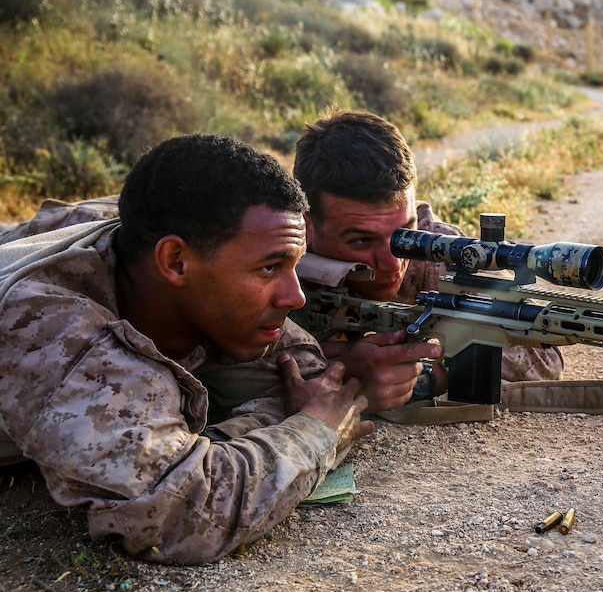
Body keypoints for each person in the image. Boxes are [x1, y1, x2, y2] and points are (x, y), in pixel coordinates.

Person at [0, 134, 439, 564]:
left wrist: (295, 414)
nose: (295, 297)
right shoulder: (52, 324)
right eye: (269, 267)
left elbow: (309, 379)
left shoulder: (181, 256)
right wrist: (315, 431)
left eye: (293, 266)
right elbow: (180, 514)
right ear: (175, 262)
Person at [292, 110, 564, 397]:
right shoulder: (274, 264)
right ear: (306, 226)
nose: (392, 263)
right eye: (361, 240)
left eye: (404, 234)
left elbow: (544, 360)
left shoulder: (438, 250)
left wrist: (430, 371)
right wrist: (338, 369)